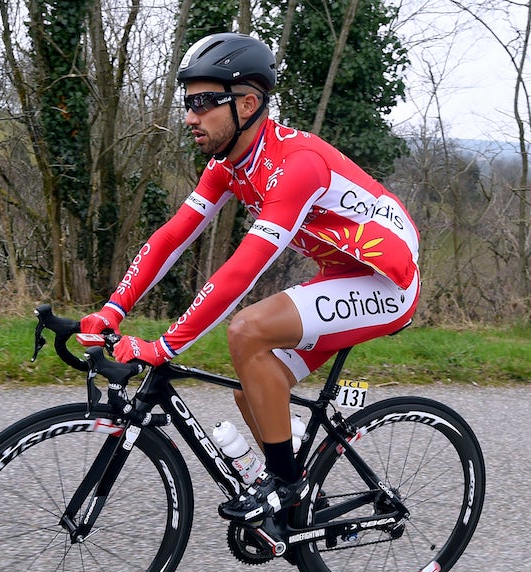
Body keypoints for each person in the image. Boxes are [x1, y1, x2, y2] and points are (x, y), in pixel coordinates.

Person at [80, 32, 420, 524]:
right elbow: (172, 237)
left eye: (202, 102)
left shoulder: (296, 165)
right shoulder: (228, 165)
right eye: (187, 102)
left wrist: (165, 345)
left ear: (248, 103)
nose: (189, 116)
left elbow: (244, 268)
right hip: (343, 272)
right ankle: (303, 504)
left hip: (388, 280)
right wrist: (112, 308)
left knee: (247, 330)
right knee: (255, 390)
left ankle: (284, 486)